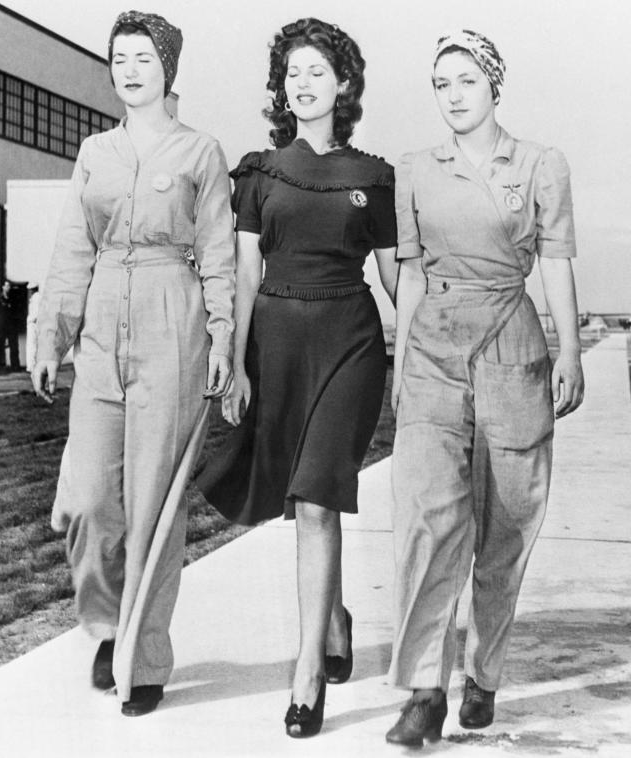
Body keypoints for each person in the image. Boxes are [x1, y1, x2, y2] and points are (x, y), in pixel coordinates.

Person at [198, 17, 398, 739]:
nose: (303, 83)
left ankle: (307, 670)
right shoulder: (258, 171)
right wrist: (234, 361)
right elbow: (246, 270)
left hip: (350, 342)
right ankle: (334, 618)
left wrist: (436, 344)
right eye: (293, 72)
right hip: (276, 346)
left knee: (318, 498)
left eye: (318, 70)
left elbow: (394, 277)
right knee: (302, 498)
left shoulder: (373, 177)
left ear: (344, 84)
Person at [31, 11, 235, 717]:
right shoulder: (95, 151)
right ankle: (105, 622)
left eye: (143, 56)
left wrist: (224, 339)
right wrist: (48, 334)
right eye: (119, 57)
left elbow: (217, 254)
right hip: (102, 328)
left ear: (167, 67)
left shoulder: (201, 152)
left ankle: (144, 658)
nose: (129, 68)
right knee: (89, 498)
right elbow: (70, 250)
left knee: (155, 501)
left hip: (172, 322)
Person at [385, 30, 585, 747]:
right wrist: (403, 362)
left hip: (512, 344)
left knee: (506, 527)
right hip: (434, 350)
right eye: (441, 83)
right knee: (428, 521)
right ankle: (422, 690)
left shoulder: (538, 165)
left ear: (494, 85)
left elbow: (556, 262)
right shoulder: (414, 169)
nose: (453, 95)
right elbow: (408, 273)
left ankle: (484, 673)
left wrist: (568, 350)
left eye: (466, 80)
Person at [0, 279, 20, 371]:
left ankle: (15, 366)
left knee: (14, 346)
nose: (8, 288)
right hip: (1, 326)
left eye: (9, 286)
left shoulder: (13, 299)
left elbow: (16, 312)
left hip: (11, 326)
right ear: (3, 287)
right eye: (6, 286)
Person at [24, 282, 39, 373]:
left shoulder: (36, 298)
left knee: (32, 345)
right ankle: (32, 365)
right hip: (33, 323)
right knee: (32, 345)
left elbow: (35, 313)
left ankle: (32, 366)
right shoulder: (35, 297)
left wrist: (30, 320)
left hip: (33, 324)